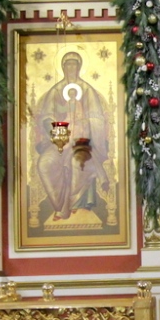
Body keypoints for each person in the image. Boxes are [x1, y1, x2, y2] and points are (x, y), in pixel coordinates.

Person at [33, 52, 110, 224]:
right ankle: (59, 205)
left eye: (74, 64)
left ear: (79, 67)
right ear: (62, 67)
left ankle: (75, 204)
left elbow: (97, 119)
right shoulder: (56, 91)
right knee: (44, 163)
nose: (71, 68)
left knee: (77, 163)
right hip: (59, 141)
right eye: (68, 64)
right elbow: (47, 116)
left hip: (82, 142)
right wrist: (57, 131)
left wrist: (85, 126)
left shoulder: (87, 90)